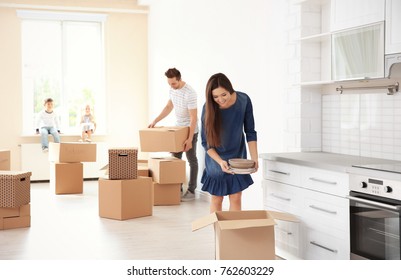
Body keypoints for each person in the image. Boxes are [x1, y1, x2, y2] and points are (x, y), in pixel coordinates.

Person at [201, 73, 259, 213]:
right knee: (217, 197)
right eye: (215, 97)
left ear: (230, 89)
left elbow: (250, 132)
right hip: (216, 157)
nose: (220, 100)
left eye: (223, 95)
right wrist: (220, 161)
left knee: (236, 196)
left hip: (237, 156)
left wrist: (254, 158)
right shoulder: (208, 108)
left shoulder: (244, 100)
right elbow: (206, 143)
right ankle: (219, 234)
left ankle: (233, 232)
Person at [149, 68, 199, 201]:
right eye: (169, 84)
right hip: (178, 129)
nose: (171, 86)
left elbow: (194, 118)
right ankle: (177, 189)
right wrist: (155, 120)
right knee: (175, 159)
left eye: (174, 84)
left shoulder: (190, 93)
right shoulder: (172, 89)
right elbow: (168, 107)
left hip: (190, 129)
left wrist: (189, 139)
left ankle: (191, 191)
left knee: (191, 159)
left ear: (179, 79)